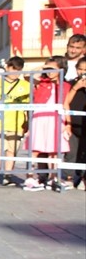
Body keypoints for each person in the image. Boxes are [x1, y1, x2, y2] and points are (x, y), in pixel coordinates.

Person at [0, 56, 30, 187]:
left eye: (18, 70)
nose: (15, 73)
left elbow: (29, 106)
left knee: (12, 151)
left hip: (16, 123)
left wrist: (27, 122)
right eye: (13, 69)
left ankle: (8, 176)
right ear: (7, 67)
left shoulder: (25, 85)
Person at [24, 56, 70, 191]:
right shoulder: (41, 82)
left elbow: (66, 105)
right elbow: (27, 76)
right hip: (40, 118)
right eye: (47, 68)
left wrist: (68, 123)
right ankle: (30, 177)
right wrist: (43, 68)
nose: (49, 72)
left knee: (54, 151)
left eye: (53, 69)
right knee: (35, 149)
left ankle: (53, 178)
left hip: (56, 119)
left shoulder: (65, 86)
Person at [65, 61, 86, 189]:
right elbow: (66, 101)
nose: (83, 72)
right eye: (80, 69)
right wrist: (76, 88)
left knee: (84, 153)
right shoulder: (71, 83)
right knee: (71, 152)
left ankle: (83, 177)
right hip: (72, 124)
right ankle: (69, 178)